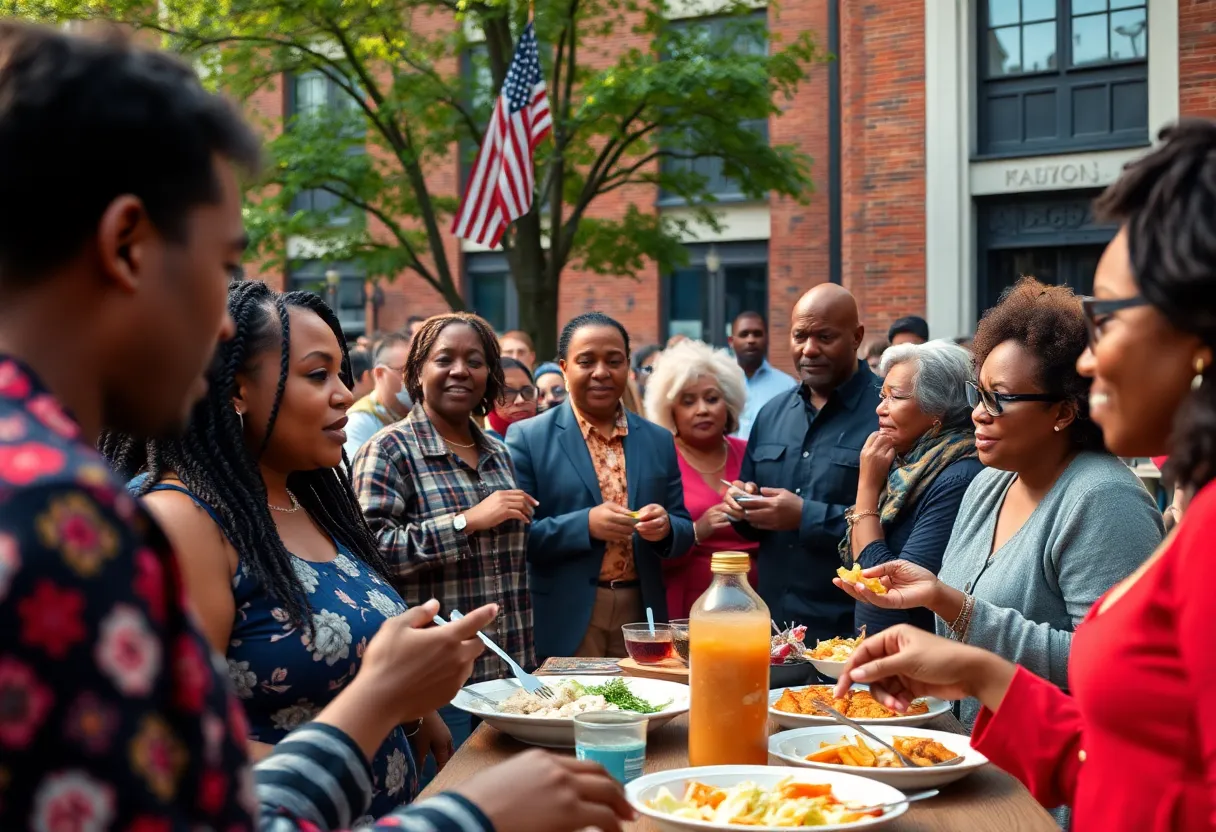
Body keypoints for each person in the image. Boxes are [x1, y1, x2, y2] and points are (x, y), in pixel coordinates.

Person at [0, 22, 636, 832]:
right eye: (221, 266)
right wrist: (469, 817)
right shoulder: (56, 517)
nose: (228, 328)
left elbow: (206, 790)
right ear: (127, 245)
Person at [833, 119, 1216, 832]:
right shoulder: (991, 484)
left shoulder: (1112, 498)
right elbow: (1117, 761)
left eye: (1109, 320)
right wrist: (974, 670)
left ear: (1198, 336)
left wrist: (964, 622)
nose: (1091, 361)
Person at [104, 281, 444, 821]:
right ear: (236, 390)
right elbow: (176, 751)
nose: (345, 395)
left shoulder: (306, 498)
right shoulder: (182, 522)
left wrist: (415, 710)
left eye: (341, 374)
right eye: (317, 375)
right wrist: (382, 703)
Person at [837, 277, 1162, 729]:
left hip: (1050, 786)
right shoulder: (989, 484)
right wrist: (934, 596)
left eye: (1001, 398)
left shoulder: (1104, 498)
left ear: (1064, 412)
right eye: (978, 393)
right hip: (971, 757)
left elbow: (1114, 667)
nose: (978, 413)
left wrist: (954, 605)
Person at [353, 312, 535, 748]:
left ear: (489, 374)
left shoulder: (499, 453)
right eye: (444, 359)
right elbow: (370, 556)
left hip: (511, 679)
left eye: (474, 361)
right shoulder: (388, 450)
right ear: (417, 371)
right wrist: (465, 522)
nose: (460, 370)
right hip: (437, 685)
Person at [507, 313, 695, 659]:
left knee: (641, 707)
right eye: (586, 361)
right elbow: (518, 538)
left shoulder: (657, 439)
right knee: (573, 710)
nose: (601, 372)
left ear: (627, 365)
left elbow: (685, 528)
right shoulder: (528, 438)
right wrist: (585, 525)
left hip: (641, 611)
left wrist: (666, 528)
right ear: (564, 368)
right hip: (567, 611)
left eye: (613, 361)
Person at [724, 284, 880, 640]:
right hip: (773, 625)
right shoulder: (772, 413)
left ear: (856, 337)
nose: (809, 350)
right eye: (800, 336)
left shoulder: (887, 413)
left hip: (850, 628)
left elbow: (900, 528)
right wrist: (742, 506)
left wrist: (805, 516)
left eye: (825, 336)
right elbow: (750, 517)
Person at [840, 340, 983, 635]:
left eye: (896, 397)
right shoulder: (903, 467)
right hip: (882, 651)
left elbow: (887, 583)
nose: (881, 408)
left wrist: (866, 489)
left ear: (937, 410)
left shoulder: (958, 476)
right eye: (882, 395)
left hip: (916, 657)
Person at [643, 339, 758, 619]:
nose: (702, 410)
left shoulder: (750, 453)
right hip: (687, 603)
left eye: (711, 398)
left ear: (729, 403)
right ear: (670, 410)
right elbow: (647, 549)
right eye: (688, 401)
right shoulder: (658, 459)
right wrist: (696, 530)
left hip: (754, 599)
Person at [728, 311, 797, 440]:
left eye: (757, 334)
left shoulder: (787, 387)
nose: (751, 340)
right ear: (731, 341)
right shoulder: (719, 382)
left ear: (767, 339)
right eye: (744, 334)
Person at [344, 332, 411, 460]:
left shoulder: (424, 414)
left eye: (418, 370)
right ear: (380, 373)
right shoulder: (359, 422)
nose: (415, 380)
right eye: (404, 371)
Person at [487, 357, 539, 440]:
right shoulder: (475, 447)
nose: (520, 400)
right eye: (508, 393)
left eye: (527, 391)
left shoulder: (554, 437)